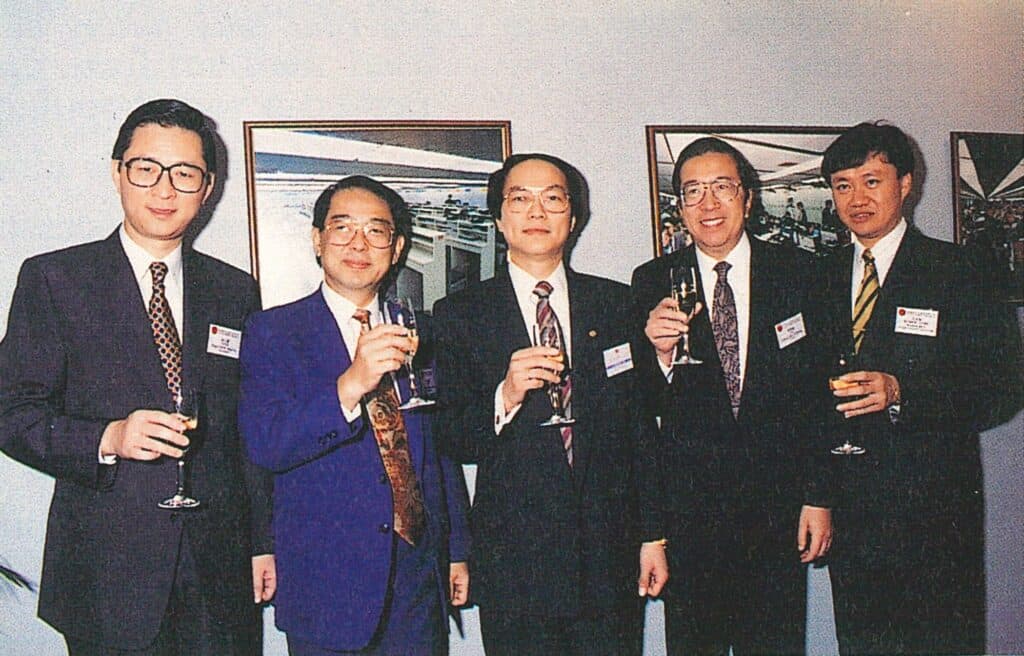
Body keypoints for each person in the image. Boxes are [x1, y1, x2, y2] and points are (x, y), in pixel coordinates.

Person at [0, 99, 274, 655]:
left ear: (208, 187)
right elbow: (10, 411)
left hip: (219, 571)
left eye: (185, 174)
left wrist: (261, 541)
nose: (164, 189)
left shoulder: (234, 290)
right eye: (146, 168)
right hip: (106, 573)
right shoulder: (55, 279)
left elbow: (246, 429)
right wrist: (108, 437)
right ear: (117, 172)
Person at [238, 175, 470, 656]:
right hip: (327, 583)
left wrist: (457, 550)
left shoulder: (419, 330)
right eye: (342, 228)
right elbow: (266, 443)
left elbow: (439, 451)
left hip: (416, 582)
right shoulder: (273, 331)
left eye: (376, 231)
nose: (359, 244)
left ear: (397, 247)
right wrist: (349, 386)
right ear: (317, 240)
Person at [817, 121, 1022, 655]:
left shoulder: (959, 269)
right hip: (852, 516)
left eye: (871, 181)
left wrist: (902, 392)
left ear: (906, 184)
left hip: (935, 515)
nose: (857, 199)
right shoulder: (816, 277)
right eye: (842, 185)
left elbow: (1003, 385)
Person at [433, 154, 649, 655]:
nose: (537, 211)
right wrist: (505, 395)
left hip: (607, 556)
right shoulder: (459, 314)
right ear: (498, 218)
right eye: (520, 199)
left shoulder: (616, 304)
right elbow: (451, 436)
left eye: (553, 198)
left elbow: (639, 431)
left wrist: (652, 535)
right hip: (515, 562)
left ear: (573, 218)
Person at [631, 137, 833, 654]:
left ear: (748, 197)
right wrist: (659, 354)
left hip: (777, 511)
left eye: (722, 187)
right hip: (692, 519)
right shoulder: (652, 281)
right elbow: (641, 406)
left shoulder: (800, 273)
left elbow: (817, 396)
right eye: (693, 191)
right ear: (679, 207)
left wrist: (817, 496)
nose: (708, 203)